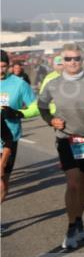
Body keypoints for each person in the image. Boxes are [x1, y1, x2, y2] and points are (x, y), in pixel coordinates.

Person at [36, 44, 84, 250]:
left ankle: (78, 218)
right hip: (66, 138)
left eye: (77, 59)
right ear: (62, 61)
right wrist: (51, 120)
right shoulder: (53, 84)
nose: (73, 62)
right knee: (73, 182)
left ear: (82, 60)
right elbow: (42, 105)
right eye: (68, 59)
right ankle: (71, 227)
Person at [1, 50, 38, 204]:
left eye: (3, 66)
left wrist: (18, 114)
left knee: (3, 181)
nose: (0, 70)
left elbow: (35, 107)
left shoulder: (19, 84)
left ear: (8, 66)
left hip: (10, 137)